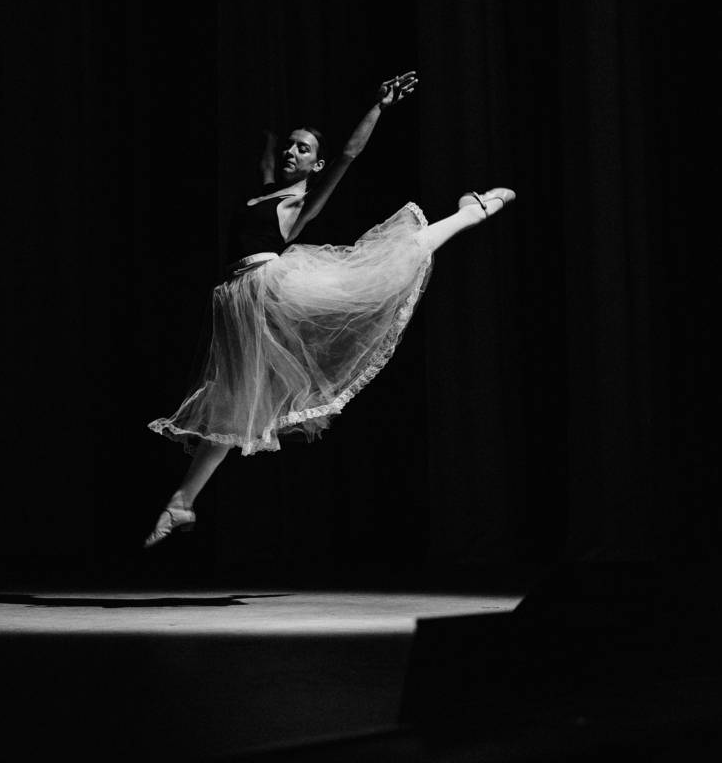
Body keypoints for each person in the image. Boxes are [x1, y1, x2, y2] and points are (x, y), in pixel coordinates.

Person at [143, 71, 513, 547]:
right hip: (238, 299)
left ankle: (471, 212)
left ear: (315, 165)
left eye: (303, 149)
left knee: (386, 262)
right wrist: (267, 126)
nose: (292, 152)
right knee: (234, 403)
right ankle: (181, 503)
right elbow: (266, 154)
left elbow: (348, 156)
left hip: (274, 284)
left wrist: (378, 106)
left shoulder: (301, 202)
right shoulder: (265, 191)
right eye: (290, 146)